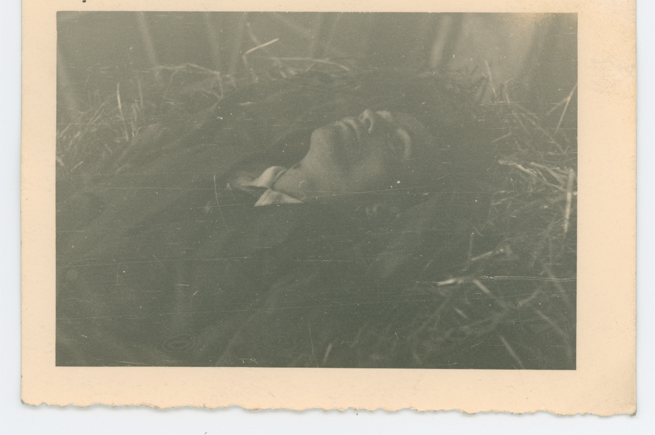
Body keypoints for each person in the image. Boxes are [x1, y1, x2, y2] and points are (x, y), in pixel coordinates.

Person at [56, 70, 494, 367]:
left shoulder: (319, 268)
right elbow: (83, 205)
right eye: (377, 114)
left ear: (381, 207)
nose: (368, 119)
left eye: (395, 143)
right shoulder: (214, 157)